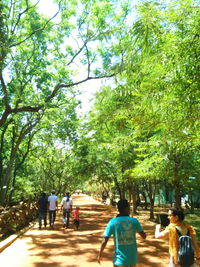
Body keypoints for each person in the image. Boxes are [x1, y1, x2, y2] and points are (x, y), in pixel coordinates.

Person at [97, 199, 146, 267]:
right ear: (126, 208)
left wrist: (100, 254)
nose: (130, 209)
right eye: (129, 207)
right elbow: (144, 236)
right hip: (132, 260)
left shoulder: (112, 222)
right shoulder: (134, 221)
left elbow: (105, 240)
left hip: (119, 260)